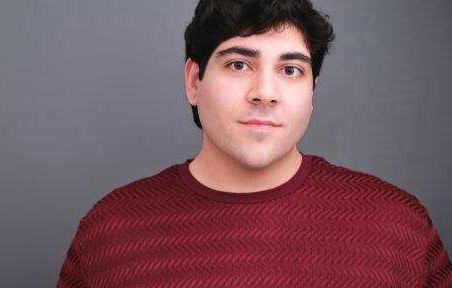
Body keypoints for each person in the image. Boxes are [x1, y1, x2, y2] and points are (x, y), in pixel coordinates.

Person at [56, 0, 452, 287]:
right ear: (194, 82)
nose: (265, 92)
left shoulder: (398, 225)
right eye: (239, 64)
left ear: (311, 92)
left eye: (291, 69)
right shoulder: (110, 230)